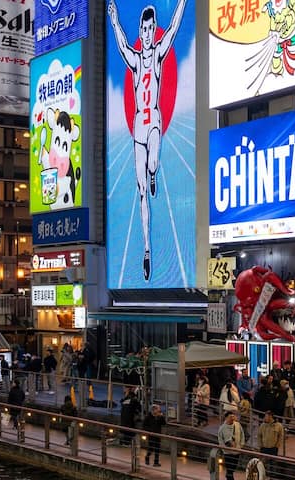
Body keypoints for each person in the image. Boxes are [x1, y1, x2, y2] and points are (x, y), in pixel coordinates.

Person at [107, 0, 184, 281]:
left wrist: (183, 3)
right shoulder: (137, 61)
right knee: (142, 192)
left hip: (155, 121)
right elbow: (122, 45)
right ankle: (148, 250)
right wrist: (115, 21)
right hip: (139, 125)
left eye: (153, 28)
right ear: (141, 30)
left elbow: (175, 27)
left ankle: (154, 173)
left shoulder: (160, 54)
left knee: (152, 166)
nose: (149, 33)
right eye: (146, 29)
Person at [217, 412, 245, 480]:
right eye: (230, 417)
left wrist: (241, 445)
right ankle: (230, 477)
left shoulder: (238, 425)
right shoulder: (222, 428)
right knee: (229, 468)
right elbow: (220, 440)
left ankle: (229, 475)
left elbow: (242, 435)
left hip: (237, 451)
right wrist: (224, 449)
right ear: (226, 418)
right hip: (228, 452)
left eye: (233, 416)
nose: (232, 418)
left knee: (233, 467)